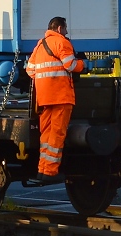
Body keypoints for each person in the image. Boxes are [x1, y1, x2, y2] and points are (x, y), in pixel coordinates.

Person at [25, 16, 85, 184]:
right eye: (65, 29)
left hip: (44, 98)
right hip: (60, 96)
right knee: (57, 134)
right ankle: (50, 172)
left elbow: (30, 70)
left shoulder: (39, 45)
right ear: (59, 28)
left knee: (46, 134)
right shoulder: (62, 42)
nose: (66, 32)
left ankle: (42, 170)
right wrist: (84, 64)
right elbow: (71, 66)